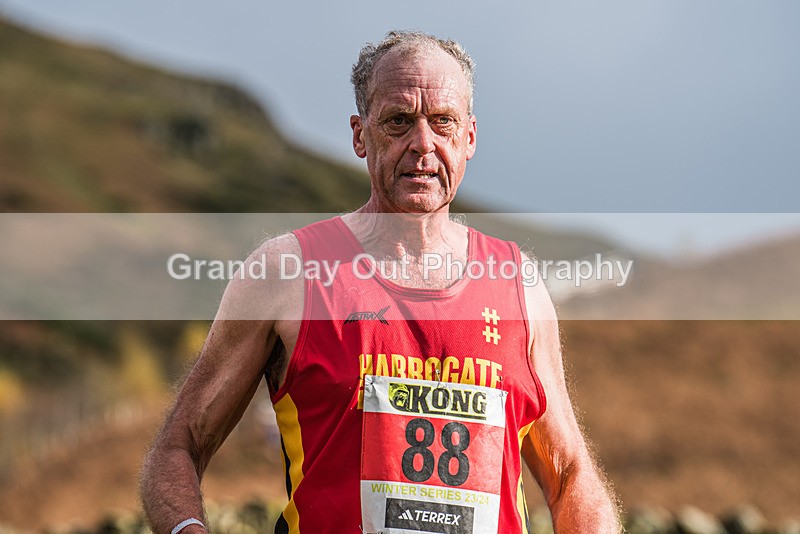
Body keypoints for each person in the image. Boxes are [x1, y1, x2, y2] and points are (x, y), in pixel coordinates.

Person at [140, 30, 621, 533]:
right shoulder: (287, 274)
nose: (423, 144)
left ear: (470, 137)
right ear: (359, 135)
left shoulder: (520, 285)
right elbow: (180, 447)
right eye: (398, 122)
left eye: (443, 122)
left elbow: (569, 475)